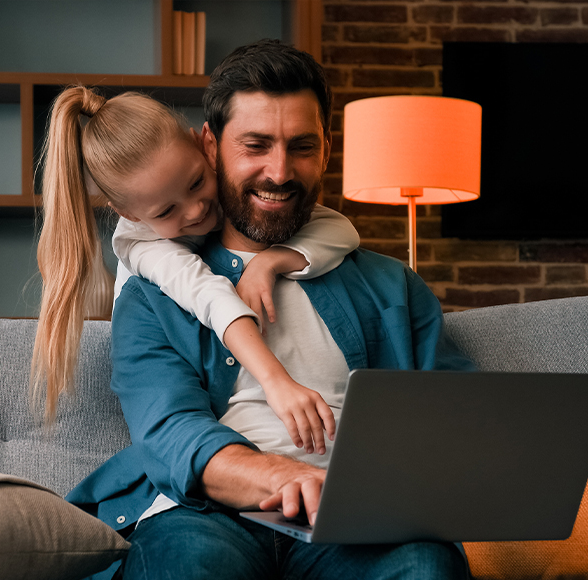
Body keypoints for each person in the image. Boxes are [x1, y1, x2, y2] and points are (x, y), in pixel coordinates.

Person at [66, 39, 477, 579]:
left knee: (426, 564)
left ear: (326, 150)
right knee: (190, 564)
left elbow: (460, 417)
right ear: (209, 145)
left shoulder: (390, 285)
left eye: (301, 147)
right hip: (206, 514)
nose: (280, 172)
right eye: (256, 145)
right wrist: (281, 476)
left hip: (351, 525)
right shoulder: (155, 290)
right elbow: (169, 429)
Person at [32, 86, 360, 455]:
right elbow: (212, 298)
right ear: (130, 215)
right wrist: (276, 381)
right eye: (166, 212)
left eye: (196, 183)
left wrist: (270, 262)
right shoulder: (142, 247)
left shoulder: (228, 188)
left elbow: (339, 227)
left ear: (202, 146)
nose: (195, 210)